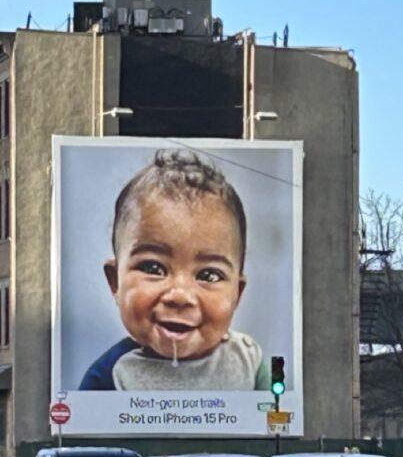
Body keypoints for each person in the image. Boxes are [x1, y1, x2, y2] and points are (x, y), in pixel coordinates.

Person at [79, 149, 271, 392]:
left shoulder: (249, 360)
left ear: (237, 294)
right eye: (153, 267)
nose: (180, 295)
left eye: (208, 275)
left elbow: (278, 421)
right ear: (115, 282)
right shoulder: (109, 376)